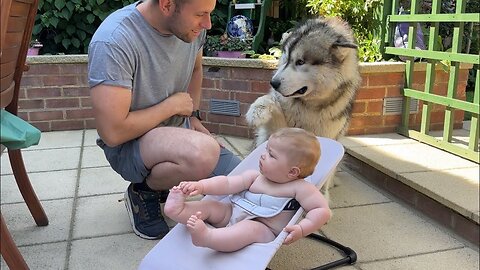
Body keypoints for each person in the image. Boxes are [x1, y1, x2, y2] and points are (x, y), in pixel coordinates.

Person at [87, 0, 241, 240]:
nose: (208, 24)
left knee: (250, 182)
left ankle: (171, 179)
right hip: (130, 145)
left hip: (177, 129)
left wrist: (193, 115)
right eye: (201, 14)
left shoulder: (190, 30)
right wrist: (171, 107)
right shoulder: (114, 40)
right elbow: (112, 132)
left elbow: (196, 69)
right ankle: (143, 190)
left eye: (209, 13)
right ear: (167, 5)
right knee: (203, 153)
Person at [164, 128, 332, 252]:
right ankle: (178, 210)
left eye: (272, 155)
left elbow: (321, 210)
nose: (263, 155)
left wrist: (302, 228)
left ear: (292, 171)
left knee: (248, 229)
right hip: (232, 212)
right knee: (212, 206)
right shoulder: (255, 176)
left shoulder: (300, 188)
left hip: (263, 229)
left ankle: (207, 238)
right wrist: (201, 186)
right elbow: (227, 183)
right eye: (266, 150)